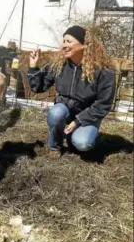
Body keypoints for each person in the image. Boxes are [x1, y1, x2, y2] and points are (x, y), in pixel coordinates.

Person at [27, 25, 116, 159]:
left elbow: (103, 104)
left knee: (83, 144)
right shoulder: (59, 64)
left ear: (84, 45)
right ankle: (55, 146)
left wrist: (78, 121)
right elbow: (38, 88)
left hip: (87, 115)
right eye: (63, 41)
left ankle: (76, 135)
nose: (63, 45)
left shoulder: (103, 71)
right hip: (65, 110)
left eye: (69, 41)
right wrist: (33, 67)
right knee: (56, 113)